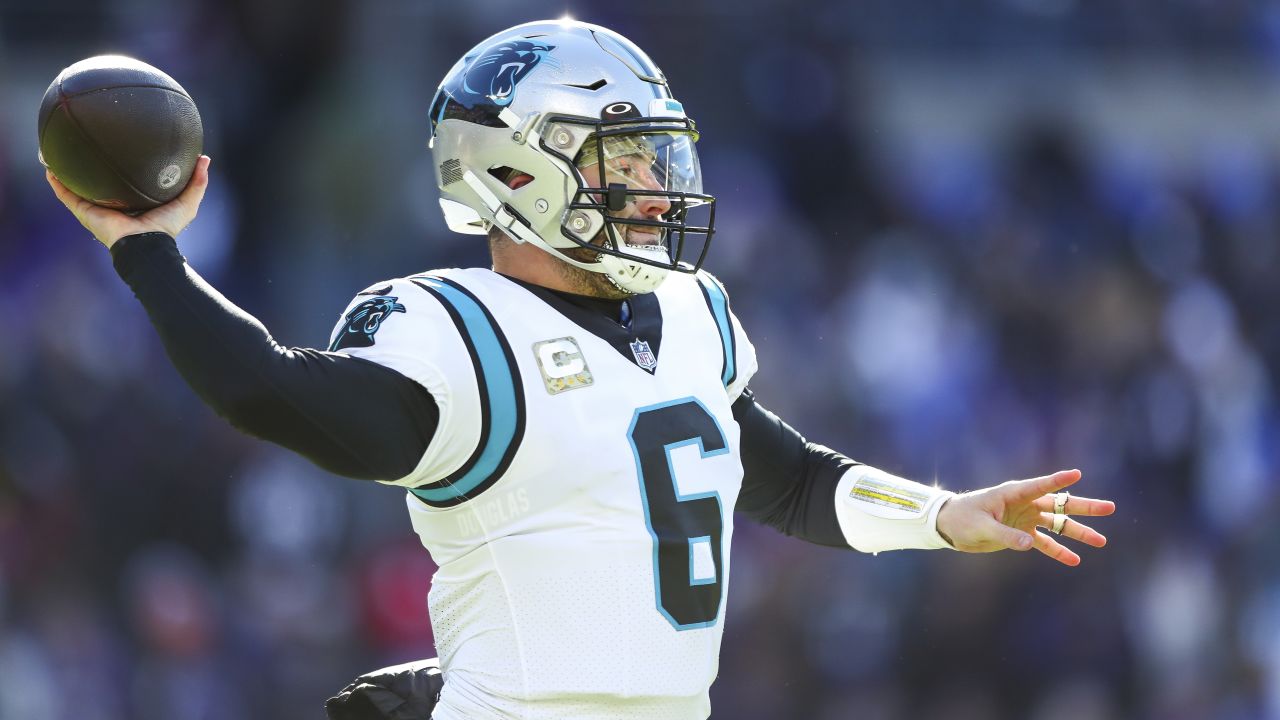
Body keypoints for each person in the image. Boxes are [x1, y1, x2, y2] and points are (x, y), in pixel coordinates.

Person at [46, 19, 1116, 720]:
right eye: (625, 160)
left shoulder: (690, 315)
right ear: (515, 173)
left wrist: (943, 514)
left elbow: (783, 479)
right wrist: (147, 252)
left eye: (660, 157)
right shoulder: (457, 326)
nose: (656, 186)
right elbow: (265, 389)